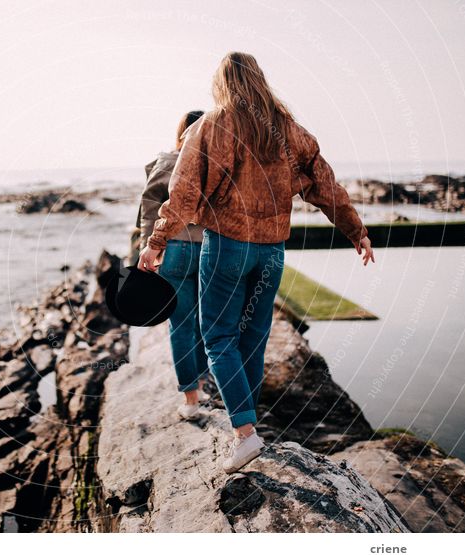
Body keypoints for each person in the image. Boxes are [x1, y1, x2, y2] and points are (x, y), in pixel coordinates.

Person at [137, 52, 375, 474]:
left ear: (222, 83)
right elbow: (326, 184)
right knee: (253, 339)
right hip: (272, 251)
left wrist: (156, 242)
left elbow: (184, 189)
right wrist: (356, 232)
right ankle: (251, 426)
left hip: (227, 246)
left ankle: (245, 435)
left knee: (218, 337)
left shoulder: (212, 124)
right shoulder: (287, 128)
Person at [136, 110, 210, 421]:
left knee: (181, 324)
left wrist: (147, 247)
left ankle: (191, 399)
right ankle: (202, 386)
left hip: (175, 248)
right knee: (208, 323)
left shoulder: (167, 161)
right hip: (211, 248)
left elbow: (150, 208)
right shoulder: (217, 163)